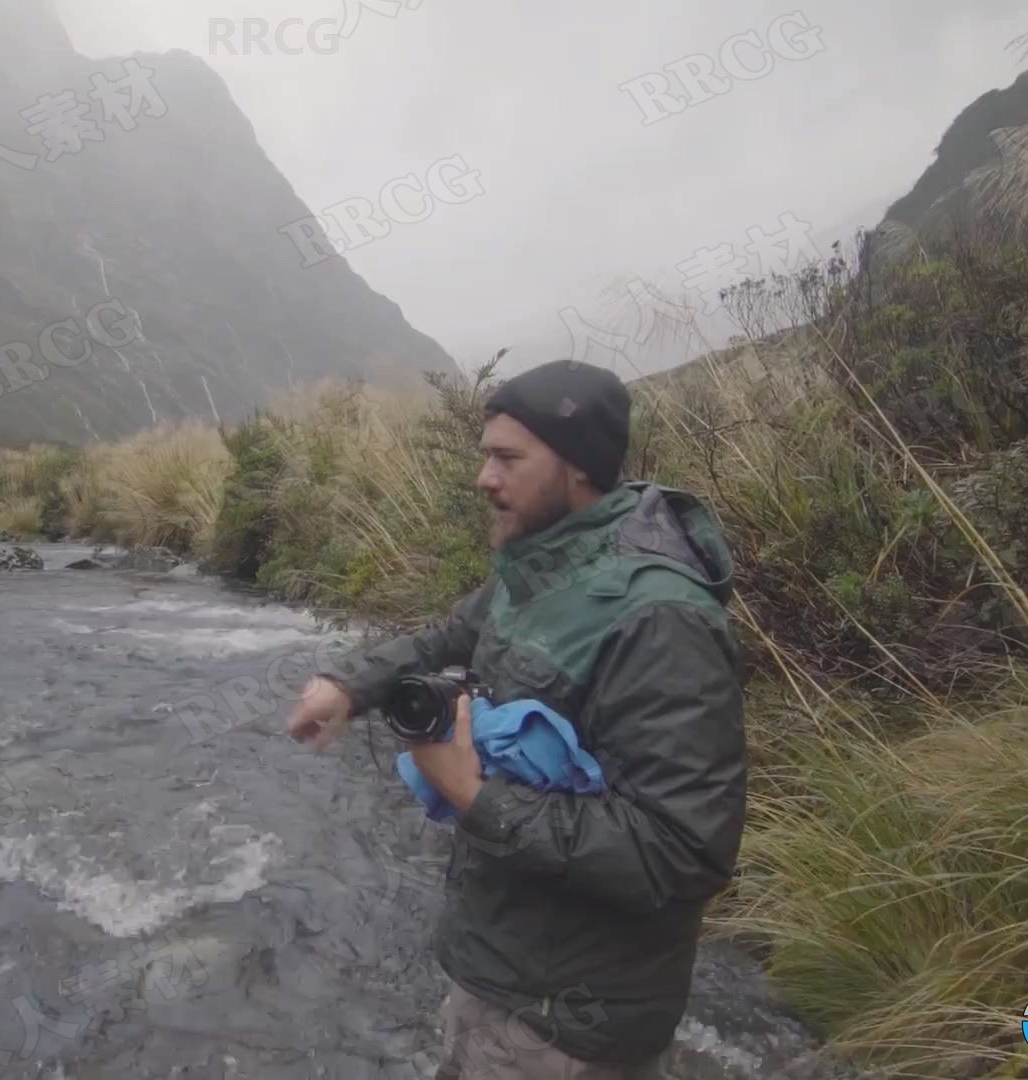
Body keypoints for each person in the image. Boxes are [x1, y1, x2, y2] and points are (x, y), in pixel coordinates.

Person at [286, 358, 748, 1079]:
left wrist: (475, 797)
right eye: (484, 456)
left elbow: (682, 851)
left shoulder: (661, 621)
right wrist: (352, 687)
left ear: (579, 469)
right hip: (502, 977)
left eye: (507, 458)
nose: (483, 478)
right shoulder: (544, 567)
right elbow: (451, 634)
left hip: (566, 1025)